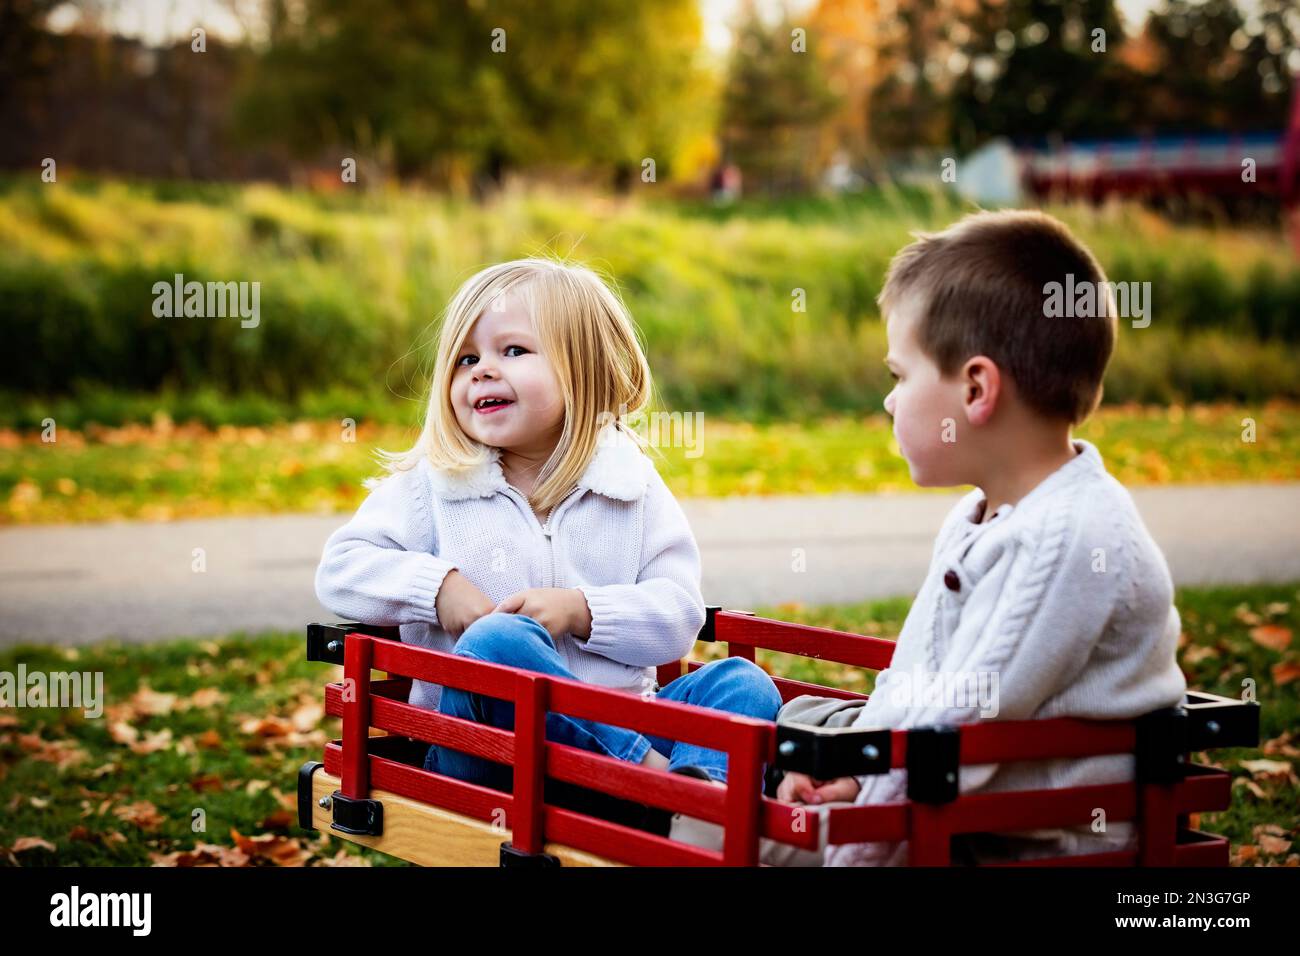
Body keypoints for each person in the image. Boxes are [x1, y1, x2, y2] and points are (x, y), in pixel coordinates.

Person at [775, 210, 1188, 866]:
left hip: (1025, 845)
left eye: (898, 376)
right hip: (954, 821)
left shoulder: (1067, 539)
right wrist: (852, 777)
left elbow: (957, 731)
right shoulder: (983, 515)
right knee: (715, 818)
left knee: (717, 833)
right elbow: (915, 685)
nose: (888, 402)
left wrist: (846, 855)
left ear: (975, 389)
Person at [315, 257, 781, 808]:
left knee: (741, 683)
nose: (482, 370)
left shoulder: (629, 486)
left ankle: (699, 802)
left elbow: (679, 615)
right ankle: (663, 790)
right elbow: (341, 571)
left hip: (621, 718)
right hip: (490, 751)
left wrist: (584, 610)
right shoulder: (437, 486)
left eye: (512, 351)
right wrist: (438, 590)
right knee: (496, 641)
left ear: (585, 370)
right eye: (466, 358)